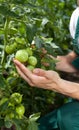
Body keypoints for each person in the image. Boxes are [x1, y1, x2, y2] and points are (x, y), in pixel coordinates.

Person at [13, 1, 79, 130]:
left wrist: (57, 85)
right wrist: (46, 59)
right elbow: (74, 59)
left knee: (68, 120)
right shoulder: (77, 17)